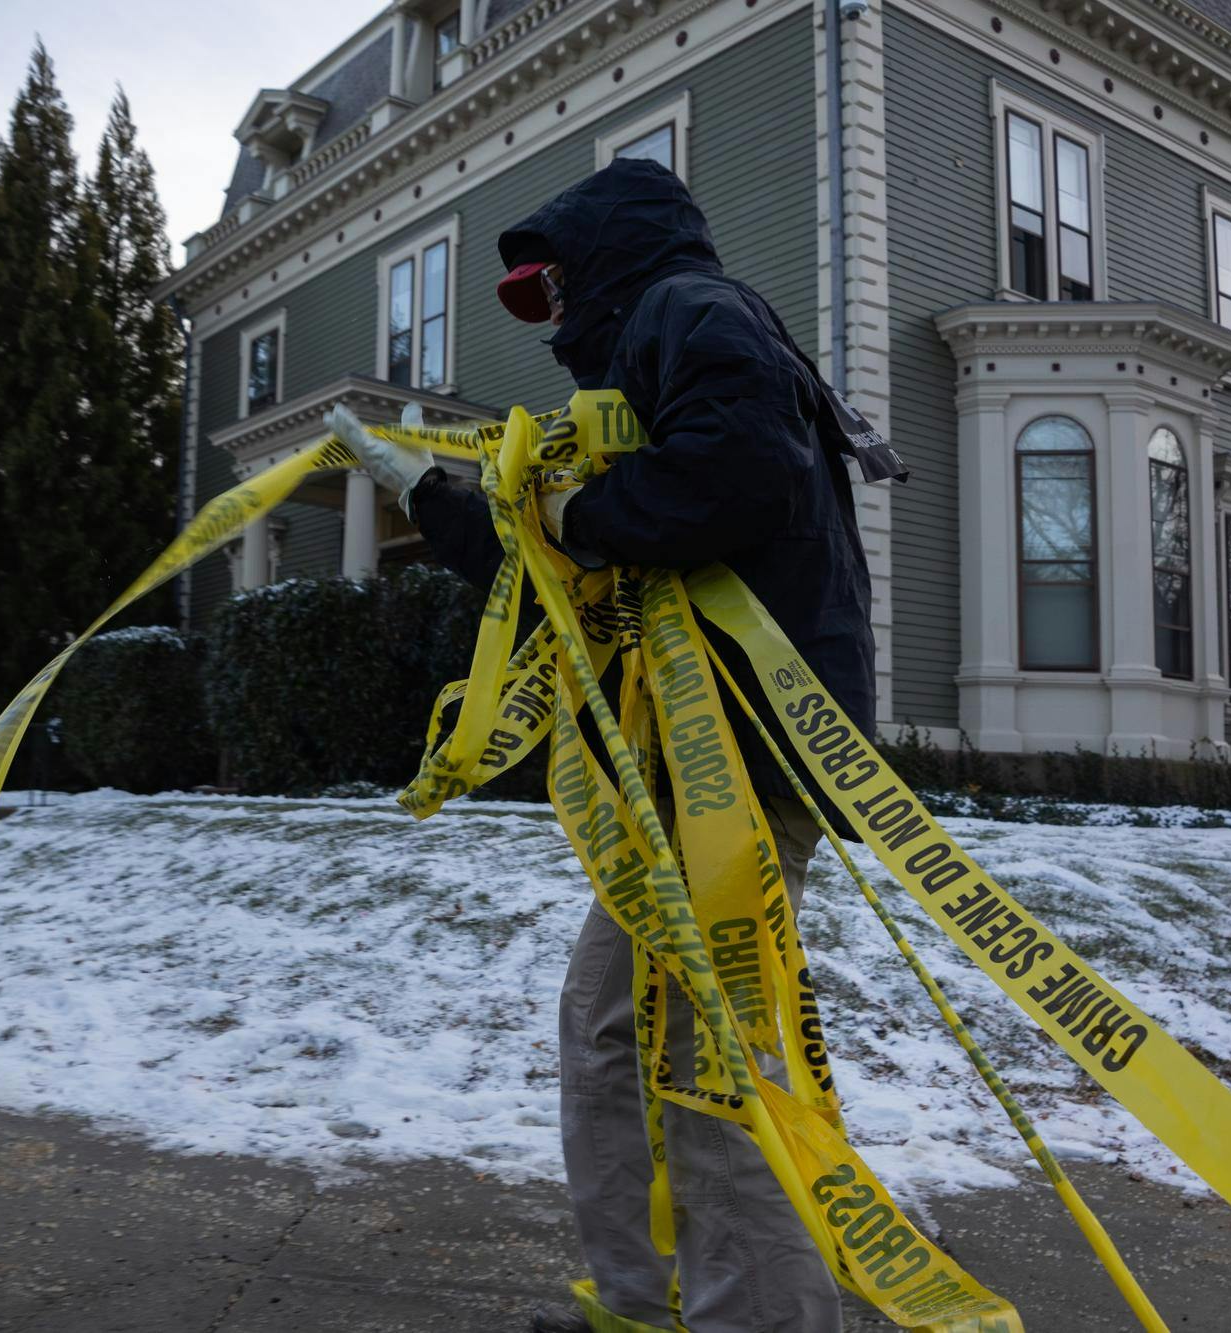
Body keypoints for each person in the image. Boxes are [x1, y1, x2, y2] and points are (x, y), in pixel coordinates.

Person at [327, 159, 878, 1333]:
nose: (549, 315)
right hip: (676, 769)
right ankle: (646, 1304)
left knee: (698, 1050)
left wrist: (573, 511)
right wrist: (428, 493)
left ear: (604, 256)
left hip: (735, 760)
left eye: (552, 285)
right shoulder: (643, 367)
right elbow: (563, 574)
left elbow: (729, 482)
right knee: (612, 1030)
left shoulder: (694, 312)